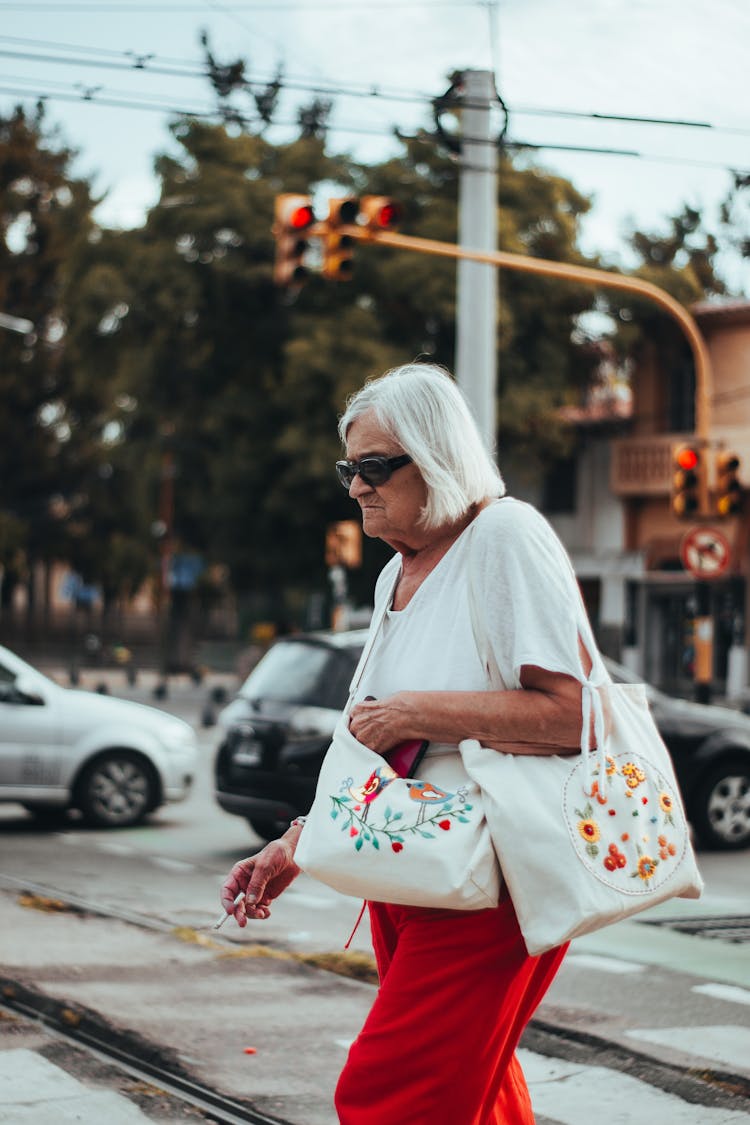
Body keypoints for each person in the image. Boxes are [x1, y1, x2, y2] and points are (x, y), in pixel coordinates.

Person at [220, 361, 606, 1124]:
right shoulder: (395, 572)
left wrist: (419, 711)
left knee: (389, 1096)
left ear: (436, 456)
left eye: (374, 466)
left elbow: (576, 716)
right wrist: (300, 838)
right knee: (476, 1094)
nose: (358, 486)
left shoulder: (503, 536)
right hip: (417, 865)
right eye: (349, 468)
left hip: (491, 878)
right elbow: (380, 748)